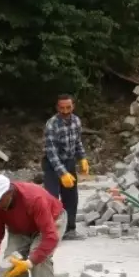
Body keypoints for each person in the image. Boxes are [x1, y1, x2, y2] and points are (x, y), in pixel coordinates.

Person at [42, 93, 89, 240]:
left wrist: (82, 158)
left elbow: (77, 142)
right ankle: (50, 233)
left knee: (71, 197)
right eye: (62, 108)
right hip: (52, 165)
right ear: (57, 107)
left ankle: (70, 230)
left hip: (69, 162)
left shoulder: (76, 121)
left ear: (73, 106)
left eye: (68, 107)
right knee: (52, 199)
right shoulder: (52, 124)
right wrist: (62, 173)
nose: (65, 111)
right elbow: (51, 151)